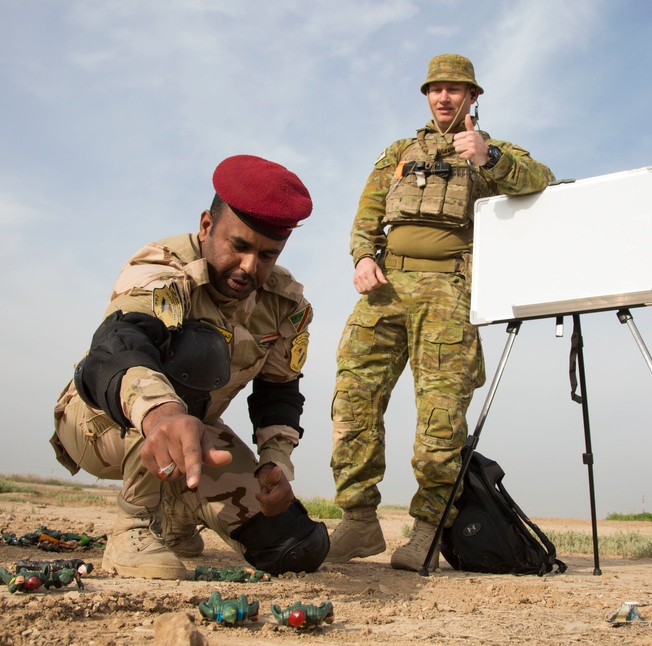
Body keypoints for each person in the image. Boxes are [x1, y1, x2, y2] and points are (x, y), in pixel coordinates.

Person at [50, 154, 329, 580]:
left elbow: (280, 391)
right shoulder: (162, 268)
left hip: (192, 437)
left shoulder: (284, 305)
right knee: (196, 352)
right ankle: (133, 526)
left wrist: (275, 464)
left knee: (294, 547)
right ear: (205, 226)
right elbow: (118, 348)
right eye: (239, 246)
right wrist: (164, 414)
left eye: (268, 255)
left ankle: (178, 512)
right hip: (101, 423)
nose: (250, 267)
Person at [327, 54, 554, 571]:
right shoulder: (398, 153)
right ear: (427, 95)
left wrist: (489, 158)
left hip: (450, 291)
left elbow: (541, 180)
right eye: (436, 89)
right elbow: (366, 216)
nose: (444, 97)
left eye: (456, 89)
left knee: (440, 418)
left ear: (474, 97)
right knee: (353, 400)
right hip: (386, 289)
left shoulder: (488, 152)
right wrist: (363, 256)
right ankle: (358, 521)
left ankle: (428, 530)